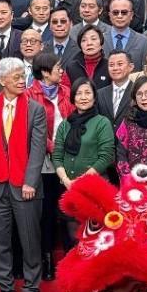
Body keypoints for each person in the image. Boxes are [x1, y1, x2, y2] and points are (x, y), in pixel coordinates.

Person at [0, 57, 47, 292]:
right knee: (0, 243)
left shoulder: (35, 109)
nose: (22, 81)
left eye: (23, 76)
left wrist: (30, 181)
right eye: (16, 77)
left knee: (30, 241)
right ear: (2, 80)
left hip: (25, 186)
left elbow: (38, 148)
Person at [28, 51, 74, 281]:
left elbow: (73, 121)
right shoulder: (29, 95)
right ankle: (46, 260)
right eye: (57, 68)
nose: (61, 71)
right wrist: (53, 147)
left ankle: (70, 259)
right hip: (44, 159)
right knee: (45, 212)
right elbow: (32, 128)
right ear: (45, 72)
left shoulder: (67, 92)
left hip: (68, 157)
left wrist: (64, 147)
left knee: (67, 210)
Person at [52, 79, 115, 248]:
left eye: (88, 93)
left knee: (94, 236)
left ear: (94, 97)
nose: (83, 97)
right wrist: (66, 180)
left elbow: (106, 156)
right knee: (71, 237)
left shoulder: (102, 122)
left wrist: (81, 181)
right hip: (68, 187)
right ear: (73, 98)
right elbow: (57, 155)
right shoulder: (65, 124)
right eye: (79, 93)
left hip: (94, 188)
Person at [95, 49, 135, 136]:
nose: (115, 68)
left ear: (131, 67)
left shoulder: (137, 93)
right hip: (104, 141)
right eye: (111, 65)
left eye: (120, 64)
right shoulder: (99, 94)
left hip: (129, 141)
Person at [105, 0, 147, 69]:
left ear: (131, 15)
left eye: (124, 12)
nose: (119, 16)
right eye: (115, 12)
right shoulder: (100, 40)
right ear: (109, 15)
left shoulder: (143, 42)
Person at [64, 24, 111, 91]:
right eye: (84, 40)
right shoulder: (71, 67)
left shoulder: (109, 66)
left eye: (93, 39)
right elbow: (66, 92)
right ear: (80, 45)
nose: (89, 43)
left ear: (101, 43)